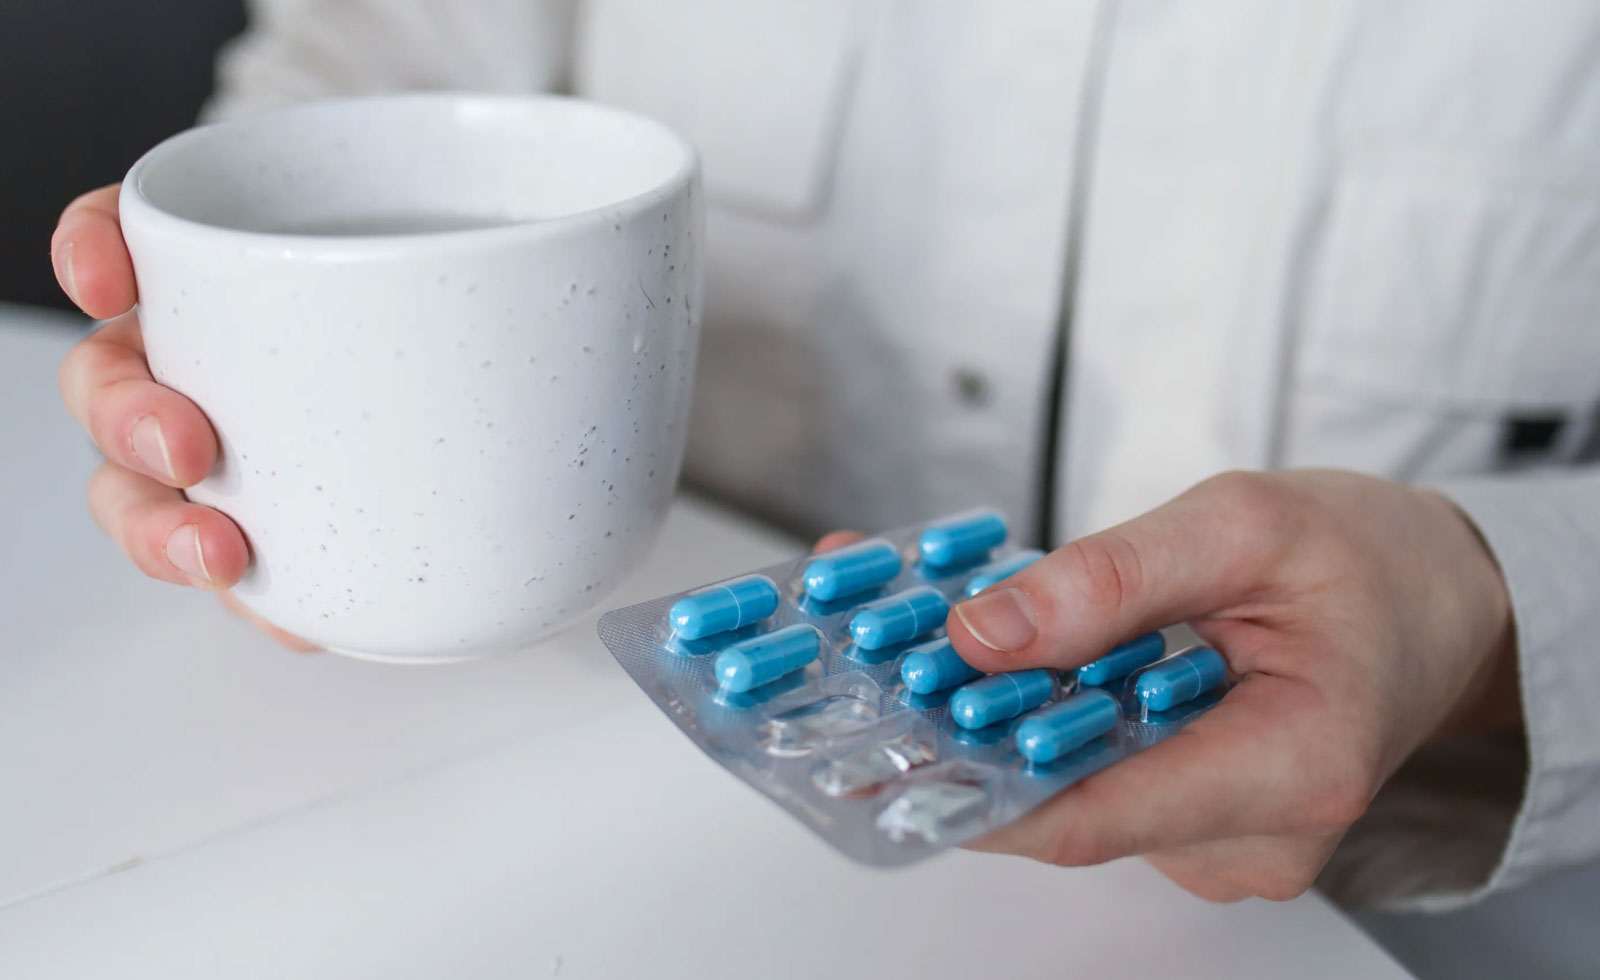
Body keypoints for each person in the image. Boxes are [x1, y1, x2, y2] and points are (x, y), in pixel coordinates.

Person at [48, 0, 1600, 911]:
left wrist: (1487, 610)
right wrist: (218, 320)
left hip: (1382, 908)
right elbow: (356, 74)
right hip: (595, 832)